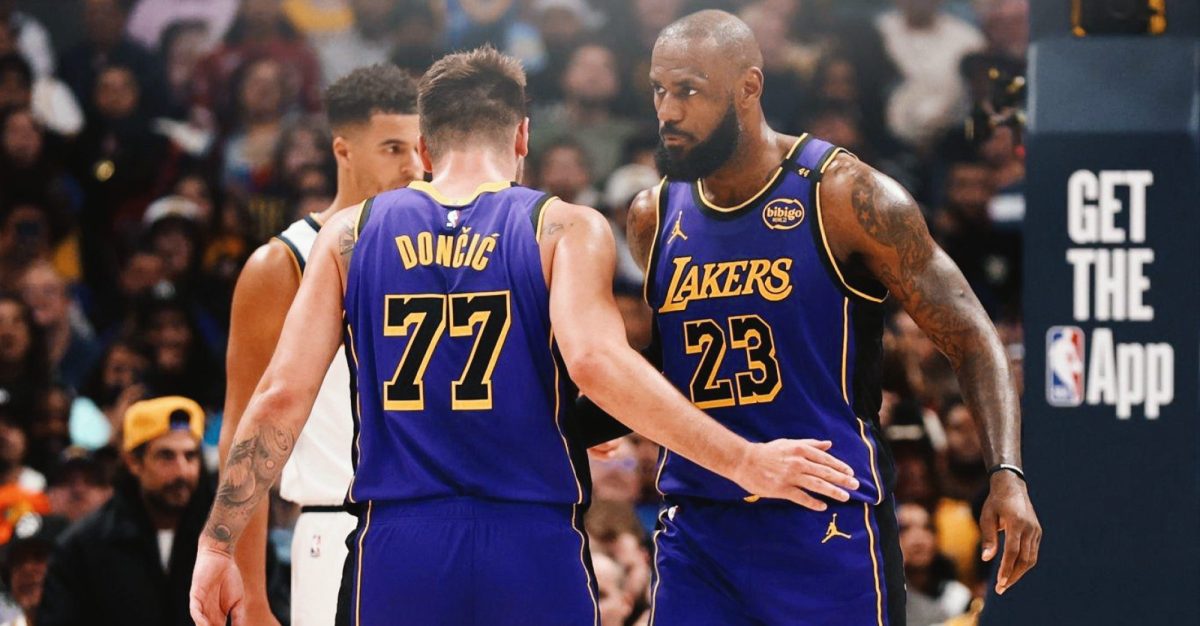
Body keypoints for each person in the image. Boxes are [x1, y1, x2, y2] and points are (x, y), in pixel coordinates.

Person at [190, 46, 856, 626]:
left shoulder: (347, 234)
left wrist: (217, 545)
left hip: (398, 544)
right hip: (530, 538)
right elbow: (597, 365)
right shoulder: (563, 226)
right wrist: (744, 460)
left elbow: (278, 400)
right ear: (523, 137)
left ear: (424, 146)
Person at [623, 10, 1040, 624]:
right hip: (701, 527)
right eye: (660, 90)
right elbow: (663, 369)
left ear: (748, 87)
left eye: (689, 91)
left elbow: (973, 335)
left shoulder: (845, 195)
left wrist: (1005, 471)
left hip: (825, 521)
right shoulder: (653, 217)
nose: (669, 111)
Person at [219, 62, 422, 626]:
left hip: (442, 529)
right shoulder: (282, 263)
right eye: (392, 148)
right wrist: (252, 594)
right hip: (339, 526)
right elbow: (243, 434)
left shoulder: (444, 252)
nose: (413, 165)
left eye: (420, 147)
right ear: (343, 151)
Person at [39, 395, 213, 626]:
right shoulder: (82, 547)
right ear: (134, 462)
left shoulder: (225, 540)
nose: (182, 471)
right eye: (166, 456)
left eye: (190, 456)